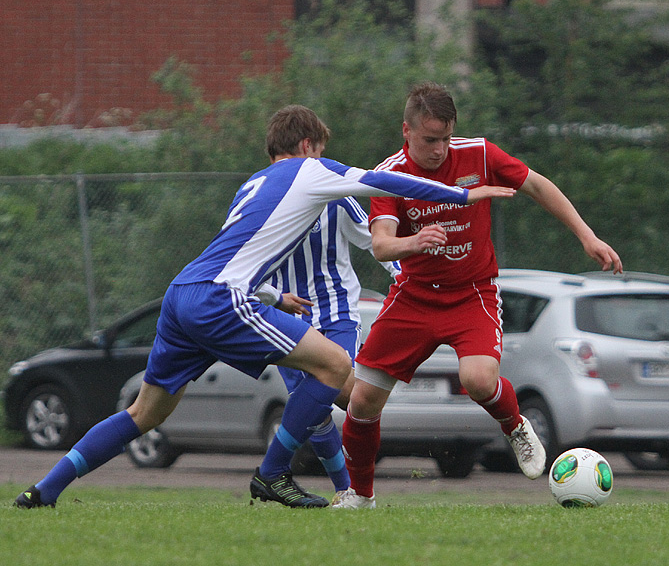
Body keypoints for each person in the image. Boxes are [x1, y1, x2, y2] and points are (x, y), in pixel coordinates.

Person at [14, 104, 515, 509]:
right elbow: (391, 183)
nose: (325, 156)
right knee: (336, 366)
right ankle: (272, 474)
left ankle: (46, 490)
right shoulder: (312, 169)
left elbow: (234, 252)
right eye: (321, 147)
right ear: (306, 146)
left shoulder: (251, 184)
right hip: (219, 300)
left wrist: (275, 297)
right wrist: (458, 194)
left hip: (183, 293)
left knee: (145, 412)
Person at [333, 82, 623, 509]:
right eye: (430, 139)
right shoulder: (390, 175)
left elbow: (538, 186)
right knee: (362, 399)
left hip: (472, 294)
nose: (440, 149)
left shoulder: (479, 154)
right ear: (406, 131)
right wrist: (414, 243)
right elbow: (381, 245)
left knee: (478, 380)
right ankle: (360, 496)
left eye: (446, 138)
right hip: (414, 296)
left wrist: (587, 236)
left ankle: (515, 426)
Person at [257, 197, 399, 501]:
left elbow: (378, 239)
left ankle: (348, 484)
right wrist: (271, 295)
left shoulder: (336, 197)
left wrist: (405, 276)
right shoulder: (266, 198)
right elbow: (241, 263)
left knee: (345, 394)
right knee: (311, 406)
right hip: (287, 318)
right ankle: (345, 489)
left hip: (338, 315)